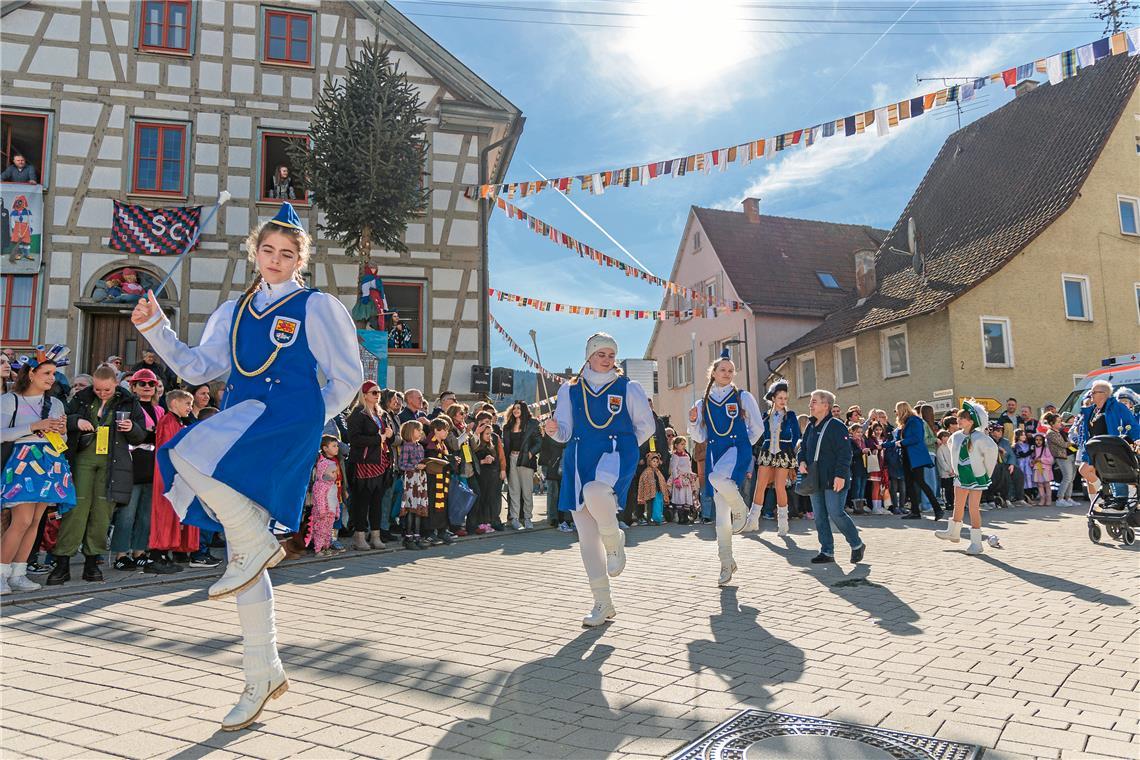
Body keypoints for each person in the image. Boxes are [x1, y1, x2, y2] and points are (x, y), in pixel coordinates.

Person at [130, 201, 361, 731]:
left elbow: (346, 378)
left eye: (286, 252)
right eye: (267, 250)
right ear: (254, 252)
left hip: (284, 420)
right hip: (244, 417)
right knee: (243, 551)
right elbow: (196, 367)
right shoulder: (233, 311)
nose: (275, 259)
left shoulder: (318, 305)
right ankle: (263, 672)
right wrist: (156, 329)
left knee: (184, 451)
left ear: (300, 257)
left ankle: (255, 547)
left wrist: (305, 422)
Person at [545, 332, 654, 626]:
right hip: (578, 459)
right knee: (586, 537)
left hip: (613, 455)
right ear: (589, 356)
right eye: (600, 354)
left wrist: (626, 446)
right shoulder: (570, 390)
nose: (606, 359)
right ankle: (602, 603)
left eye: (610, 354)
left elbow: (646, 426)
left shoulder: (628, 387)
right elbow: (564, 432)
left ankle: (615, 538)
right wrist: (552, 429)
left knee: (596, 492)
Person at [47, 365, 145, 585]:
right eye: (99, 389)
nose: (102, 393)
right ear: (94, 384)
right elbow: (64, 421)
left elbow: (140, 436)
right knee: (75, 510)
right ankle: (62, 563)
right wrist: (75, 421)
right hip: (83, 459)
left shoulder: (129, 402)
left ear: (116, 384)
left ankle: (92, 563)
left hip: (112, 464)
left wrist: (130, 427)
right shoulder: (81, 398)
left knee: (102, 513)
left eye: (107, 390)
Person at [1, 346, 75, 595]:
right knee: (20, 520)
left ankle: (19, 573)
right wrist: (35, 426)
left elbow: (61, 439)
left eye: (53, 373)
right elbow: (2, 434)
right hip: (22, 462)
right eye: (46, 373)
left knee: (35, 522)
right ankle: (1, 572)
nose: (51, 378)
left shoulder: (54, 402)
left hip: (49, 462)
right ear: (31, 373)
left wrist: (61, 431)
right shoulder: (9, 399)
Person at [686, 350, 764, 586]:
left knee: (716, 478)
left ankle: (741, 509)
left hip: (736, 449)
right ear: (713, 373)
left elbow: (757, 428)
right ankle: (726, 562)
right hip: (714, 452)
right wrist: (691, 421)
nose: (727, 374)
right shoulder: (702, 402)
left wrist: (742, 445)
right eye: (723, 370)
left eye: (731, 371)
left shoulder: (743, 396)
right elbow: (699, 434)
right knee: (721, 511)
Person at [110, 369, 165, 572]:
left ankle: (139, 551)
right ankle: (121, 554)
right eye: (142, 384)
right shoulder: (126, 407)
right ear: (133, 386)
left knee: (145, 513)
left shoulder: (159, 410)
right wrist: (148, 434)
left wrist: (149, 435)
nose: (147, 387)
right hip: (132, 463)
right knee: (127, 513)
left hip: (152, 463)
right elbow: (135, 435)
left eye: (151, 384)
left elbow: (160, 436)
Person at [801, 389, 864, 565]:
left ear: (825, 405)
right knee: (820, 516)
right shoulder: (811, 425)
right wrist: (802, 461)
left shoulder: (837, 426)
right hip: (815, 478)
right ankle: (827, 551)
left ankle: (857, 544)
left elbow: (845, 453)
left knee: (836, 513)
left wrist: (840, 475)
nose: (810, 405)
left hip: (834, 478)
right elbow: (803, 448)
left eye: (814, 401)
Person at [149, 389, 207, 569]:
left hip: (176, 475)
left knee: (174, 515)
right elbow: (172, 450)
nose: (190, 408)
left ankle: (168, 554)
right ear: (174, 404)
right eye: (187, 404)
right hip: (168, 476)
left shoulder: (178, 422)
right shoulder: (168, 422)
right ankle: (157, 556)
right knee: (165, 516)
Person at [935, 400, 998, 555]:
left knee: (974, 508)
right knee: (958, 504)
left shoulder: (981, 438)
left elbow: (992, 452)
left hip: (976, 476)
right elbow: (952, 450)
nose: (959, 420)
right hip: (960, 476)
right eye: (959, 418)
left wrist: (986, 473)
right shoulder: (955, 436)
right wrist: (954, 468)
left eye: (962, 418)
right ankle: (953, 532)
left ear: (971, 421)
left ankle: (976, 543)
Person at [745, 379, 799, 536]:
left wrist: (789, 449)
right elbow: (757, 431)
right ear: (773, 398)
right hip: (767, 452)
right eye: (780, 398)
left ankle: (783, 524)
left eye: (785, 398)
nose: (783, 401)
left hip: (783, 453)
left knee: (780, 486)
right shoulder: (765, 415)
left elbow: (796, 435)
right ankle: (753, 521)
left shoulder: (790, 415)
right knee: (760, 485)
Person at [346, 381, 390, 551]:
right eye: (373, 392)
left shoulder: (381, 413)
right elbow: (354, 439)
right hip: (363, 463)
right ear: (364, 395)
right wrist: (379, 438)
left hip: (380, 462)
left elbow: (386, 437)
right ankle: (359, 536)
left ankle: (376, 536)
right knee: (362, 501)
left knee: (377, 501)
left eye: (378, 392)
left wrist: (390, 435)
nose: (377, 395)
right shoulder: (357, 413)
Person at [1076, 380, 1137, 499]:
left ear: (1103, 394)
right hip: (1094, 448)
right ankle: (1103, 496)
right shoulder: (1091, 411)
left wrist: (1137, 439)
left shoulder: (1117, 407)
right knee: (1084, 470)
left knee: (1115, 475)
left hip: (1112, 447)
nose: (1090, 394)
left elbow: (1132, 425)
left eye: (1093, 392)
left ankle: (1118, 498)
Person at [894, 401, 944, 521]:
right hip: (908, 456)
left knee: (921, 482)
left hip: (915, 457)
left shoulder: (914, 420)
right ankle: (915, 511)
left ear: (901, 410)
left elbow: (917, 438)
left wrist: (902, 442)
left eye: (896, 410)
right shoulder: (906, 422)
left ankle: (937, 509)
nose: (896, 413)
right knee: (911, 484)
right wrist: (886, 445)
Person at [503, 400, 540, 530]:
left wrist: (530, 453)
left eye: (518, 408)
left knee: (527, 491)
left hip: (525, 459)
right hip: (511, 458)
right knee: (513, 490)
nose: (515, 410)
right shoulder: (507, 426)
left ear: (523, 409)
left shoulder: (532, 424)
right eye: (514, 408)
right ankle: (514, 519)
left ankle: (528, 518)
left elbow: (539, 442)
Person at [308, 436, 344, 555]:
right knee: (319, 531)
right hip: (321, 514)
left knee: (328, 531)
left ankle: (326, 547)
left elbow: (335, 499)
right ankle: (318, 549)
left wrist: (337, 511)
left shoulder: (332, 485)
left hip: (330, 514)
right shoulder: (320, 485)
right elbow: (319, 499)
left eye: (335, 472)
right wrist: (322, 511)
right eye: (332, 472)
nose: (335, 475)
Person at [398, 419, 429, 549]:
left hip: (421, 478)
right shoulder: (406, 446)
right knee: (411, 508)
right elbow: (402, 465)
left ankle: (417, 536)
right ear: (411, 431)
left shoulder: (420, 446)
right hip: (411, 479)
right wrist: (416, 466)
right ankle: (408, 537)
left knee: (419, 508)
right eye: (418, 430)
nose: (420, 432)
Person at [472, 419, 505, 535]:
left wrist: (501, 469)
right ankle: (482, 523)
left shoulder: (492, 444)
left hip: (493, 475)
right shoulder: (477, 445)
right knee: (483, 499)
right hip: (482, 476)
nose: (489, 436)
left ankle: (491, 521)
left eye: (490, 434)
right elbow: (474, 461)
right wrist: (483, 461)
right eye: (486, 434)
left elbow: (499, 457)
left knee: (492, 499)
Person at [1043, 412, 1076, 507]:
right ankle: (1060, 499)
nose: (1060, 423)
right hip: (1062, 457)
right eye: (1058, 422)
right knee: (1067, 477)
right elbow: (1063, 444)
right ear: (1052, 424)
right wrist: (1073, 443)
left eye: (1060, 421)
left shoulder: (1060, 431)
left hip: (1070, 455)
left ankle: (1068, 498)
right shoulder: (1051, 433)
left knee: (1071, 479)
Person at [669, 436, 698, 525]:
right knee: (680, 497)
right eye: (682, 444)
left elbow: (688, 467)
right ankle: (681, 518)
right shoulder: (675, 455)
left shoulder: (686, 455)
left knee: (687, 497)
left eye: (684, 444)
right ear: (676, 445)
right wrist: (676, 478)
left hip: (687, 480)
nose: (684, 446)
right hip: (680, 480)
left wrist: (691, 474)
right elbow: (673, 468)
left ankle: (686, 517)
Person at [636, 452, 668, 526]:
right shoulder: (647, 472)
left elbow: (662, 481)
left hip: (657, 492)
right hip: (649, 493)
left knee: (658, 505)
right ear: (649, 461)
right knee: (650, 507)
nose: (655, 463)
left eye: (657, 462)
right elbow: (643, 482)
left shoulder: (658, 471)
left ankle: (657, 519)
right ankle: (649, 519)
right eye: (653, 461)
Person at [848, 423, 869, 515]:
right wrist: (861, 451)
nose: (860, 434)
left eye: (861, 432)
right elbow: (852, 454)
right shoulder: (851, 441)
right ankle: (856, 506)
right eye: (857, 432)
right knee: (857, 486)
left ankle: (861, 506)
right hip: (856, 467)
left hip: (864, 467)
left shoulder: (863, 441)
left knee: (863, 487)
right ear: (852, 432)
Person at [1030, 432, 1054, 506]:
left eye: (1040, 440)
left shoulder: (1046, 449)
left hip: (1045, 469)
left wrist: (1041, 459)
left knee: (1047, 484)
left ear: (1043, 440)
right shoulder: (1033, 449)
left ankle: (1049, 499)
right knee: (1039, 484)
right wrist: (1032, 462)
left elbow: (1051, 460)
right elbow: (1031, 460)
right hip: (1037, 469)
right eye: (1036, 440)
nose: (1038, 441)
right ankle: (1042, 499)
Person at [935, 429, 954, 509]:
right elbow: (941, 461)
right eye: (945, 436)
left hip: (952, 472)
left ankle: (952, 502)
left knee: (952, 489)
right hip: (945, 473)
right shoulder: (940, 448)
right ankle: (947, 503)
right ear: (941, 438)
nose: (947, 438)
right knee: (946, 489)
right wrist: (949, 470)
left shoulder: (950, 447)